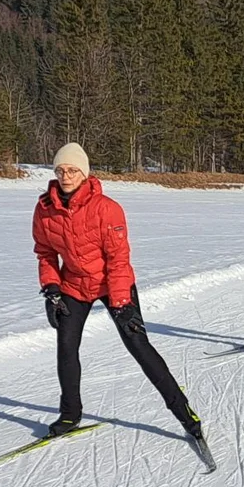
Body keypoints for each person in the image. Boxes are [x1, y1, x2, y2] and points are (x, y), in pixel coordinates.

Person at [34, 142, 202, 441]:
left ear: (84, 173)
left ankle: (184, 412)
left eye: (73, 170)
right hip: (74, 285)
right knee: (66, 349)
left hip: (113, 284)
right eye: (60, 170)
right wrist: (51, 287)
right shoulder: (45, 209)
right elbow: (46, 253)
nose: (66, 176)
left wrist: (122, 302)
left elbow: (119, 259)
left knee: (139, 346)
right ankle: (70, 413)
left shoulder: (107, 209)